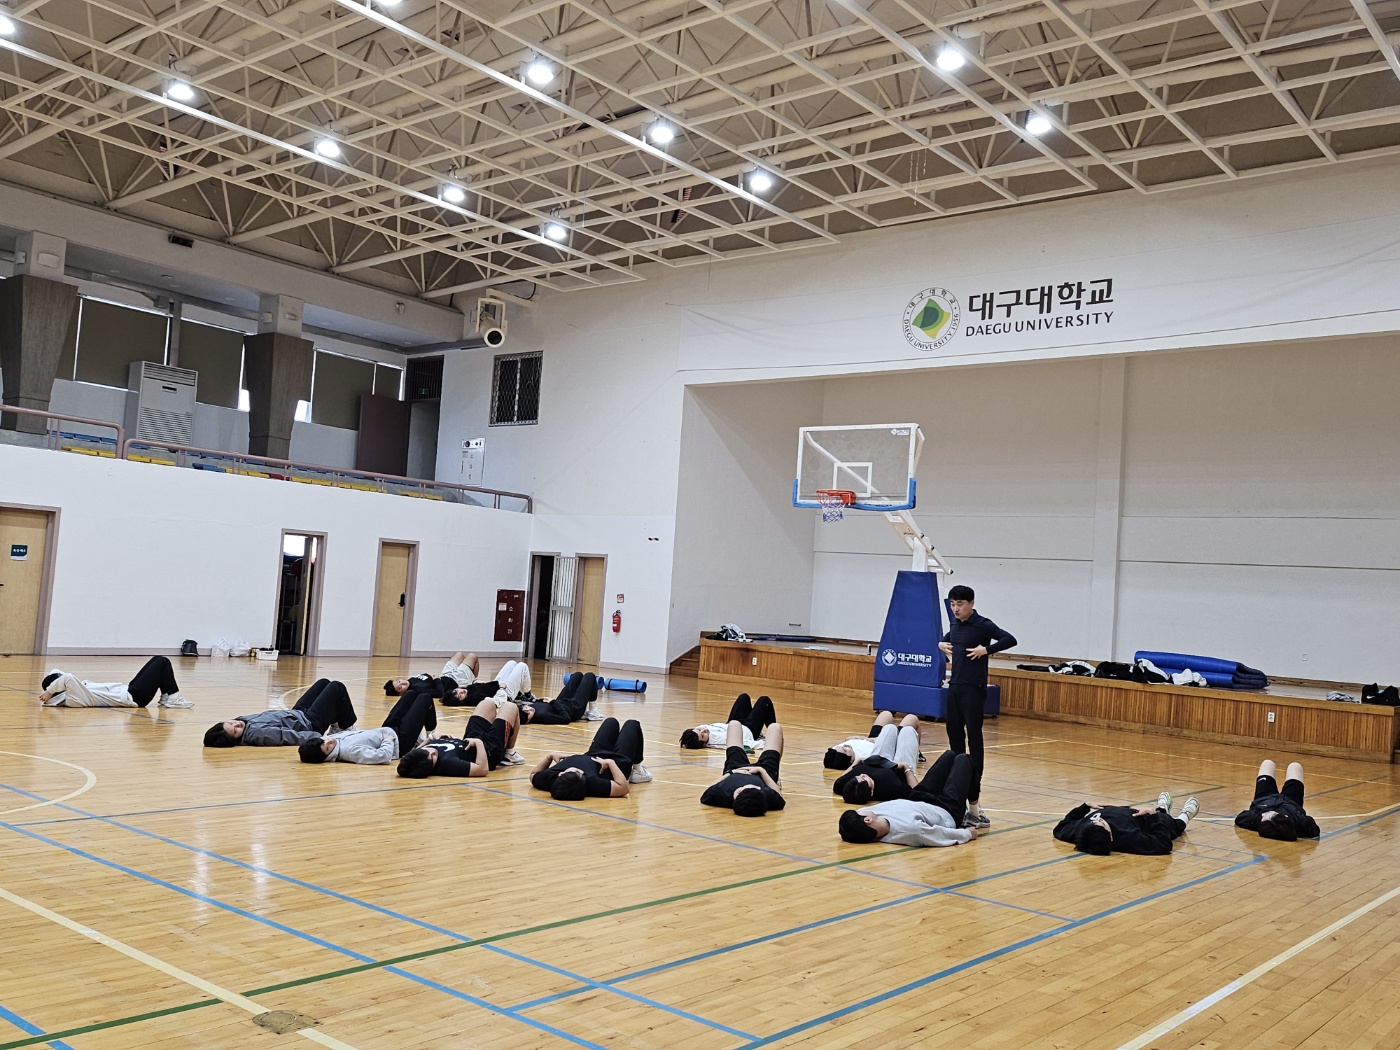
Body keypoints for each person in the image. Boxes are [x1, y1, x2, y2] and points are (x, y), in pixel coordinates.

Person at [937, 584, 1017, 829]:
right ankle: (957, 792)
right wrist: (941, 643)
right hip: (954, 687)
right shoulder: (955, 624)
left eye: (960, 604)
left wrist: (986, 650)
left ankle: (975, 788)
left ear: (971, 603)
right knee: (954, 738)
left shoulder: (983, 624)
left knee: (974, 737)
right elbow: (950, 639)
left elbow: (1010, 639)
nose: (956, 608)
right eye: (952, 604)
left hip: (974, 689)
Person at [838, 751, 980, 847]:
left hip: (918, 796)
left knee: (949, 755)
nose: (861, 810)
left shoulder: (873, 816)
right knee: (963, 759)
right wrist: (967, 834)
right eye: (859, 813)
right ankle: (975, 814)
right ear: (868, 821)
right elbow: (939, 835)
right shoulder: (910, 830)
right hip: (946, 810)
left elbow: (857, 819)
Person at [299, 687, 439, 765]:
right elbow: (382, 756)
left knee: (410, 694)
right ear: (327, 756)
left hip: (386, 729)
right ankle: (431, 735)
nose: (330, 740)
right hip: (400, 741)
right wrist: (388, 741)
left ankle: (420, 738)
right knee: (424, 698)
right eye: (328, 747)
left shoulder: (332, 739)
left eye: (324, 740)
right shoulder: (350, 752)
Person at [203, 678, 357, 748]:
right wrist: (318, 737)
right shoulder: (257, 733)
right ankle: (345, 730)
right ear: (237, 739)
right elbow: (286, 736)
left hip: (297, 714)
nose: (237, 724)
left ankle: (337, 724)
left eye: (231, 723)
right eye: (236, 730)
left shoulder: (242, 721)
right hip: (309, 724)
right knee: (336, 687)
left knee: (323, 683)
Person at [396, 696, 520, 778]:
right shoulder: (449, 764)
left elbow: (412, 754)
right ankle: (509, 754)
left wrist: (431, 738)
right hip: (488, 751)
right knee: (511, 707)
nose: (433, 752)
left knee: (487, 703)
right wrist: (478, 743)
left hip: (470, 739)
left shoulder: (418, 756)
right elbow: (482, 770)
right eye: (433, 757)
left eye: (428, 751)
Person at [530, 717, 650, 800]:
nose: (580, 771)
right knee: (632, 724)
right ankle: (637, 771)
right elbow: (623, 789)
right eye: (580, 774)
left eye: (575, 771)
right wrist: (610, 763)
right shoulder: (592, 783)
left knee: (611, 722)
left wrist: (550, 757)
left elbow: (533, 774)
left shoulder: (549, 779)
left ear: (561, 774)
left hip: (594, 753)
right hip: (618, 763)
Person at [1053, 791, 1200, 855]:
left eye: (1095, 822)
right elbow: (1163, 844)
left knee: (1160, 813)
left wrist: (1085, 806)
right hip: (1147, 820)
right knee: (1171, 824)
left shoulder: (1081, 831)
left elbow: (1060, 827)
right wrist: (1152, 815)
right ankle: (1184, 815)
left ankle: (1162, 808)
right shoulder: (1128, 839)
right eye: (1102, 823)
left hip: (1126, 810)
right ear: (1110, 837)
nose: (1098, 819)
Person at [700, 720, 786, 817]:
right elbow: (780, 798)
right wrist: (762, 771)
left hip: (735, 769)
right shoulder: (766, 797)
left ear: (738, 793)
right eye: (756, 787)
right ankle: (775, 779)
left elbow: (709, 789)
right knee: (775, 727)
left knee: (734, 724)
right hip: (764, 774)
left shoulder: (721, 794)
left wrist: (731, 772)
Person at [832, 714, 921, 804]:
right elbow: (917, 793)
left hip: (876, 759)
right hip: (900, 768)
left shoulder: (849, 786)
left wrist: (857, 762)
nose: (862, 774)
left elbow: (839, 781)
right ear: (871, 792)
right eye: (864, 778)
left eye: (858, 777)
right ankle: (916, 753)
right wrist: (906, 768)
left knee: (889, 728)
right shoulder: (891, 788)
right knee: (908, 731)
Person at [39, 657, 192, 709]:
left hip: (130, 690)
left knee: (158, 661)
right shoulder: (74, 698)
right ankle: (173, 698)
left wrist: (50, 691)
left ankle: (167, 697)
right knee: (162, 662)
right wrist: (49, 691)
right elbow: (67, 677)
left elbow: (58, 673)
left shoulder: (70, 691)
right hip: (134, 697)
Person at [1234, 759, 1320, 841]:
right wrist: (1297, 820)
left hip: (1264, 798)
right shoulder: (1298, 822)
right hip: (1291, 801)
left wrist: (1259, 818)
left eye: (1263, 817)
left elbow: (1240, 818)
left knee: (1268, 763)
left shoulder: (1254, 819)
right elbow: (1314, 829)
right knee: (1295, 766)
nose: (1263, 815)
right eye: (1266, 816)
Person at [680, 693, 775, 751]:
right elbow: (744, 743)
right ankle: (774, 733)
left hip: (733, 723)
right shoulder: (720, 741)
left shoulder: (701, 729)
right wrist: (770, 742)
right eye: (702, 735)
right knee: (764, 701)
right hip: (749, 730)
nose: (703, 730)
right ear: (703, 743)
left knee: (744, 697)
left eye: (699, 729)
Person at [824, 711, 905, 770]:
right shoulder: (866, 758)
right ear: (851, 759)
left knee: (886, 714)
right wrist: (879, 741)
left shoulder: (835, 752)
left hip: (870, 738)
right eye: (845, 749)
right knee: (910, 719)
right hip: (884, 743)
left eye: (841, 746)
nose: (845, 745)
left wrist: (847, 739)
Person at [519, 671, 598, 725]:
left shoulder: (531, 707)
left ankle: (587, 712)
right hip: (574, 709)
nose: (530, 709)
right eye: (529, 713)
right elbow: (566, 718)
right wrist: (553, 702)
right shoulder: (542, 716)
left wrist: (542, 700)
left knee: (577, 675)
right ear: (528, 721)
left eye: (526, 708)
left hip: (561, 702)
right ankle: (593, 712)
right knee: (590, 676)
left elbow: (540, 704)